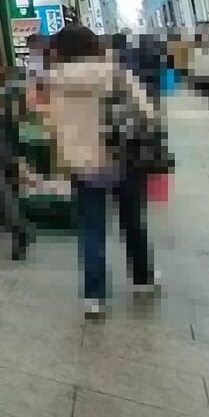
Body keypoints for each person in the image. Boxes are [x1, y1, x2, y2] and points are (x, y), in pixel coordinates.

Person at [38, 24, 156, 319]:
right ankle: (141, 279)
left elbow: (51, 126)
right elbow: (146, 112)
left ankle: (94, 297)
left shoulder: (53, 82)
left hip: (83, 164)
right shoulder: (115, 72)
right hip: (122, 157)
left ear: (61, 50)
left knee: (91, 229)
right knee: (132, 221)